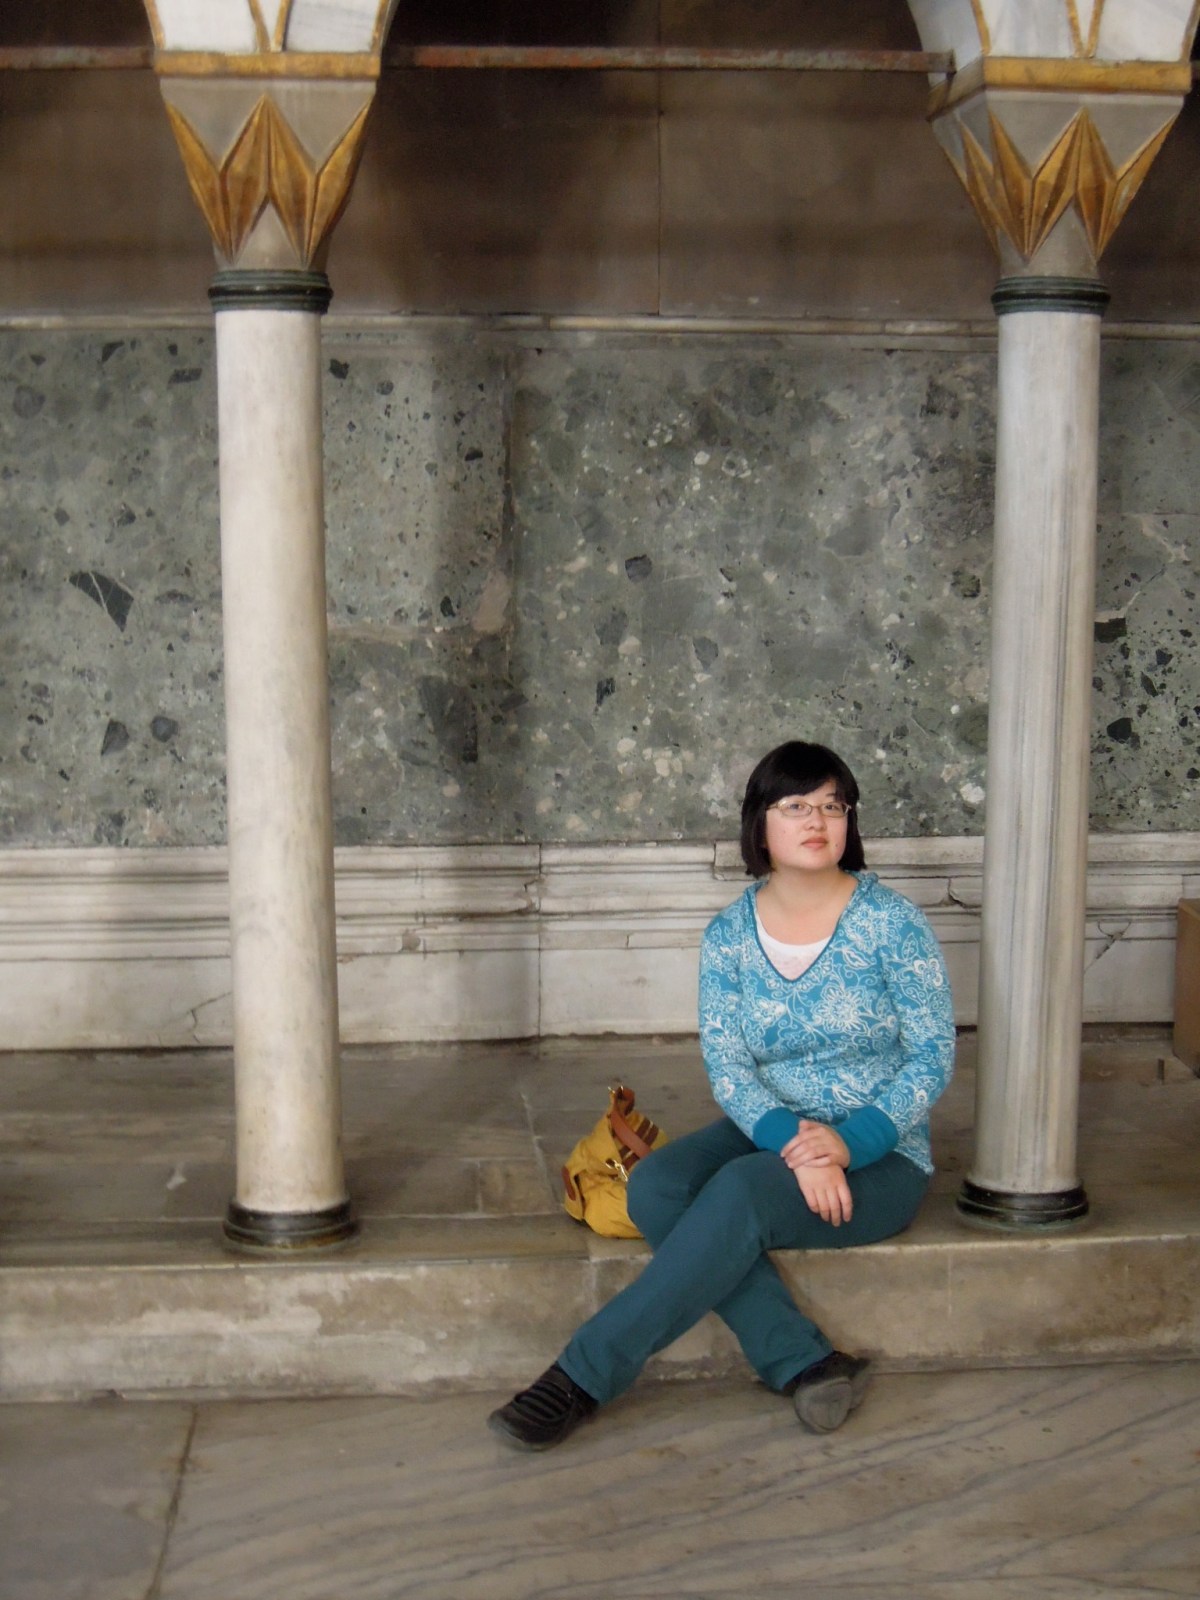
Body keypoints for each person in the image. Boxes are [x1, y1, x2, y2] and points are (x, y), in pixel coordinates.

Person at [488, 739, 955, 1451]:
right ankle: (803, 1360)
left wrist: (847, 1143)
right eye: (796, 805)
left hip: (882, 1158)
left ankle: (579, 1377)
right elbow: (730, 1067)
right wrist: (799, 1147)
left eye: (834, 805)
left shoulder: (892, 924)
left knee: (737, 1193)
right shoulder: (729, 935)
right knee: (658, 1188)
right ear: (759, 823)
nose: (818, 820)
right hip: (772, 1132)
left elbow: (932, 1056)